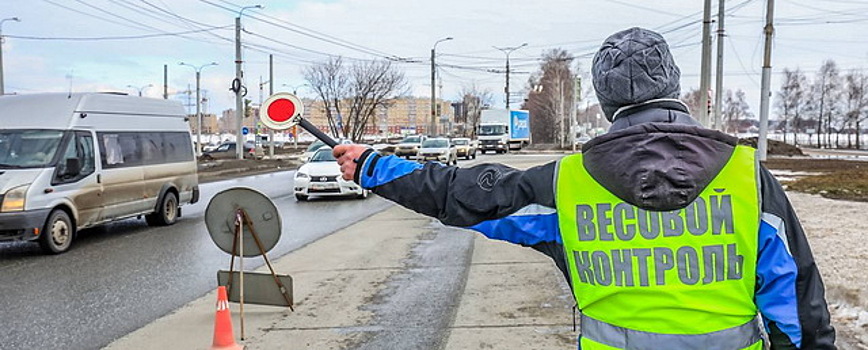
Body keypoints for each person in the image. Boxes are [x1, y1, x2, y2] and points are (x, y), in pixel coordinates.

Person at [333, 27, 835, 349]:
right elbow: (796, 301)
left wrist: (373, 165)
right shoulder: (746, 176)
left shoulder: (567, 184)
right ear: (675, 87)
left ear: (603, 95)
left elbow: (462, 194)